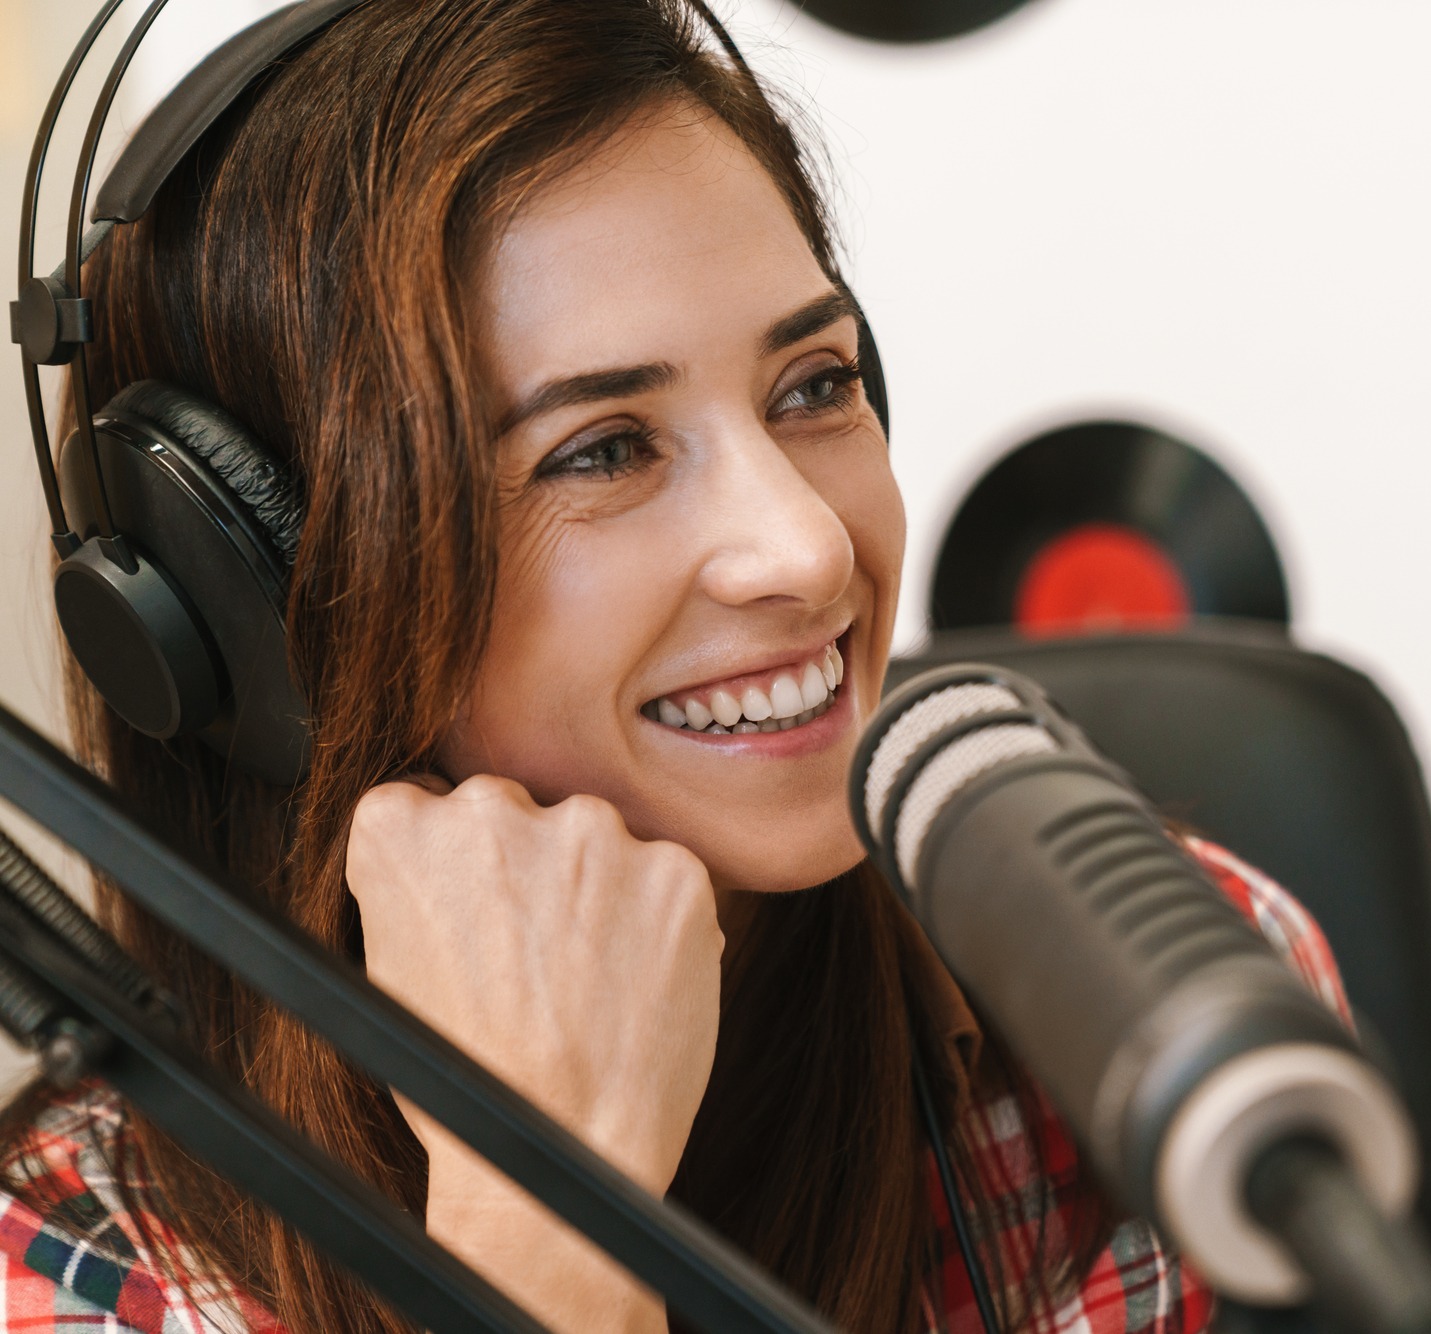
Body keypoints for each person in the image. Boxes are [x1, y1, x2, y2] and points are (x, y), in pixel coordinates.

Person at [0, 2, 1350, 1331]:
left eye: (813, 384)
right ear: (252, 596)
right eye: (601, 450)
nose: (807, 548)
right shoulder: (83, 1257)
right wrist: (537, 1191)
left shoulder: (1154, 1023)